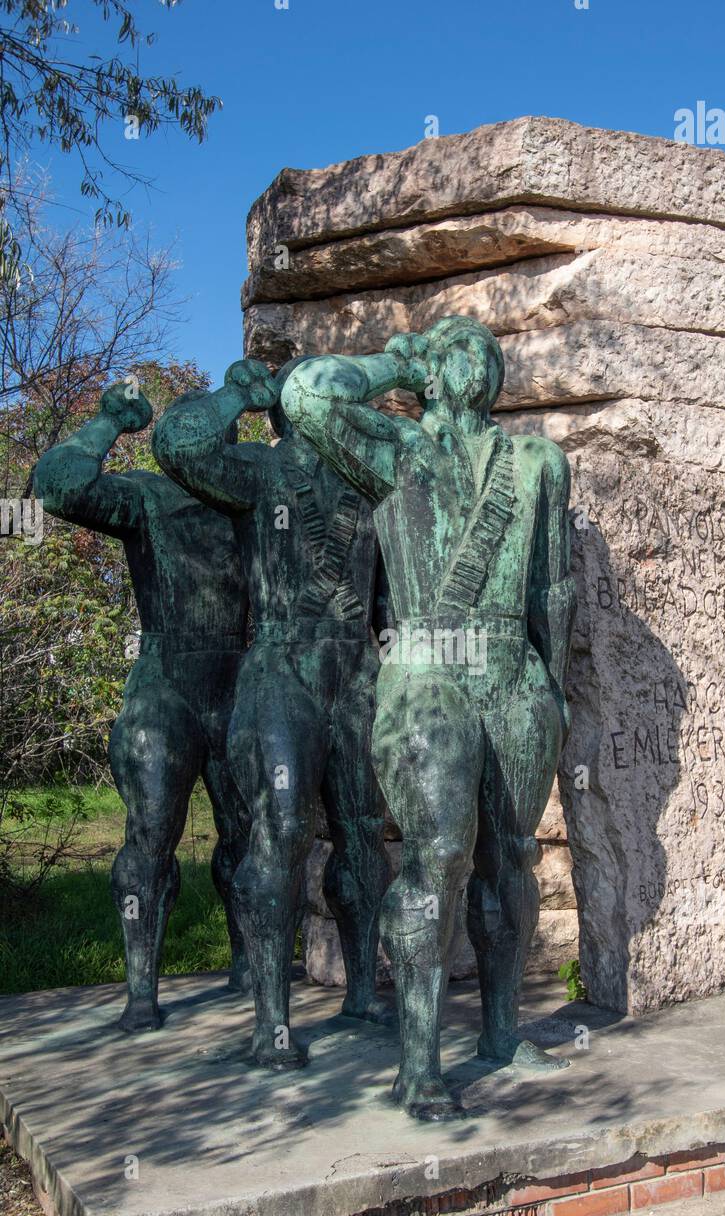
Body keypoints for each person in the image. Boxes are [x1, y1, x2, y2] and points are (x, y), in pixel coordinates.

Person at [285, 316, 577, 1119]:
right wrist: (390, 361)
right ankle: (418, 1064)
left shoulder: (539, 461)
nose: (474, 353)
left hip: (513, 670)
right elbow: (305, 396)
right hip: (425, 665)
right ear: (432, 374)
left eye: (484, 346)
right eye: (453, 346)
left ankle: (501, 1032)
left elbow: (554, 584)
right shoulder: (397, 449)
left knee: (512, 857)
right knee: (440, 851)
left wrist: (551, 683)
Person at [151, 359, 392, 1069]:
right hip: (282, 669)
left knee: (363, 835)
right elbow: (179, 446)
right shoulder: (260, 473)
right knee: (280, 831)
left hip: (355, 673)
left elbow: (383, 596)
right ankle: (270, 1020)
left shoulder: (369, 481)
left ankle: (364, 993)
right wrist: (236, 395)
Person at [33, 383, 251, 1032]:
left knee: (249, 842)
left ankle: (250, 974)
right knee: (150, 840)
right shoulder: (149, 498)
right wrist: (105, 423)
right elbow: (58, 487)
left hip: (240, 693)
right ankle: (140, 993)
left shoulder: (255, 506)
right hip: (166, 695)